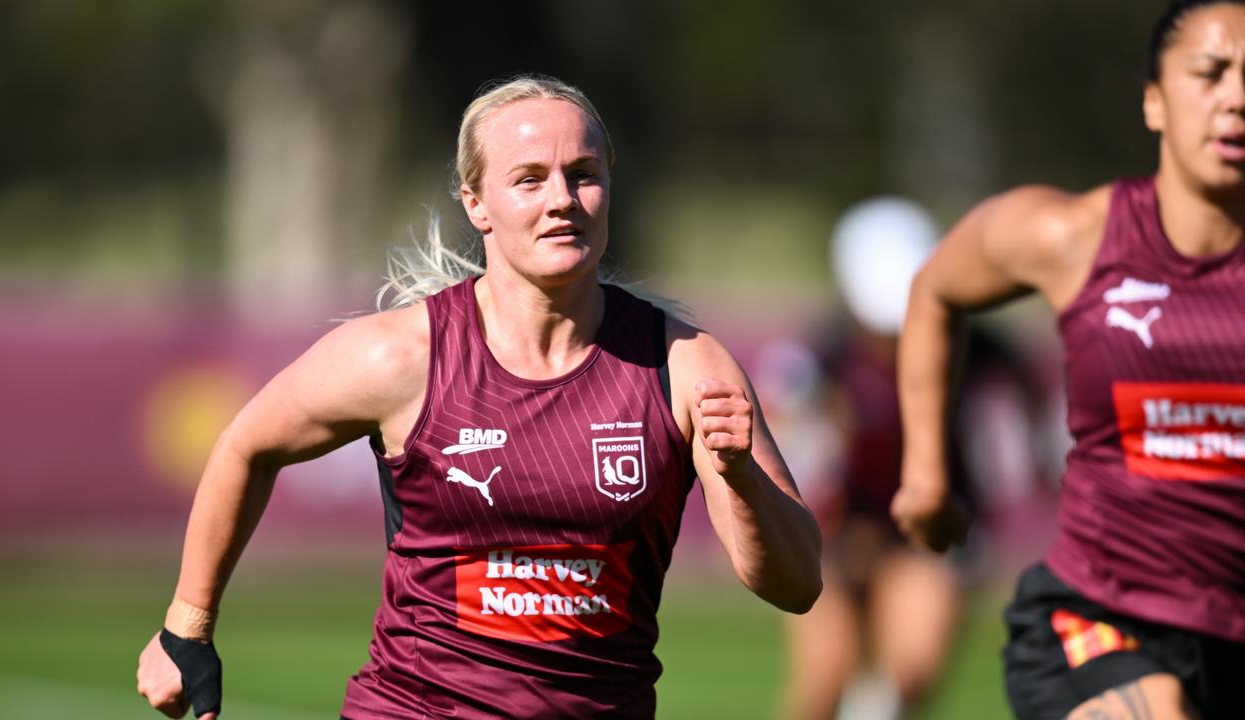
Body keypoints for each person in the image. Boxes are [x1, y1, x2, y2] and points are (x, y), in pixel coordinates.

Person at [135, 74, 822, 719]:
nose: (562, 200)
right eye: (529, 180)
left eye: (583, 176)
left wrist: (740, 480)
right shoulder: (402, 356)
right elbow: (246, 446)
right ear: (476, 203)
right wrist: (186, 627)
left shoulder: (686, 368)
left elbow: (796, 585)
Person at [892, 2, 1245, 718]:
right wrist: (927, 473)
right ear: (1153, 100)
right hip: (1101, 614)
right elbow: (936, 289)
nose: (1238, 98)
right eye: (1210, 74)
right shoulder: (1073, 235)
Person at [780, 199, 1041, 719]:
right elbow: (784, 435)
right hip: (841, 531)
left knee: (909, 674)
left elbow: (1031, 415)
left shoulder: (979, 349)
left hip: (935, 532)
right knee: (823, 683)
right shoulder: (825, 357)